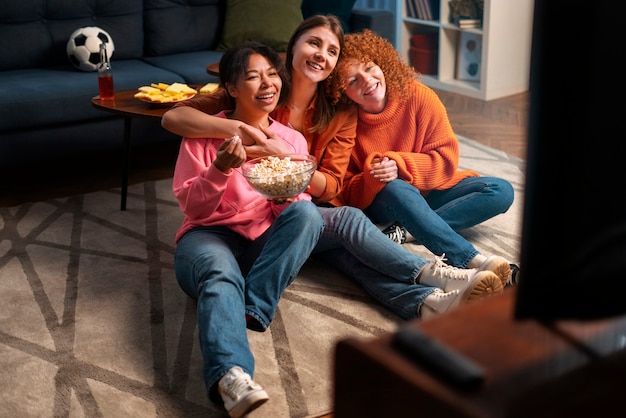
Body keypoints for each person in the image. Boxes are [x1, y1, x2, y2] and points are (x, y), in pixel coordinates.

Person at [163, 15, 505, 326]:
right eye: (313, 42)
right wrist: (242, 131)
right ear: (292, 46)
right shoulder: (261, 85)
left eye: (331, 50)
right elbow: (175, 117)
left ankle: (430, 298)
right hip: (273, 215)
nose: (320, 54)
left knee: (353, 249)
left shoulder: (340, 111)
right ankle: (434, 286)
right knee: (349, 241)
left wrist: (286, 157)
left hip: (310, 205)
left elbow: (333, 186)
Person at [171, 42, 325, 417]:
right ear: (232, 88)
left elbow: (295, 207)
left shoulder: (291, 140)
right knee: (219, 271)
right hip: (208, 237)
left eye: (272, 74)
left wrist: (286, 185)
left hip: (261, 242)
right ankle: (231, 375)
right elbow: (194, 209)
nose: (267, 83)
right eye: (253, 76)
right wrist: (219, 169)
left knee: (309, 216)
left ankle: (249, 308)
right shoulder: (203, 136)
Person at [325, 29, 518, 286]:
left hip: (429, 191)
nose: (367, 81)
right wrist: (374, 177)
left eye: (370, 68)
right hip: (385, 200)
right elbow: (345, 191)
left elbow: (447, 160)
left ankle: (407, 230)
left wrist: (400, 164)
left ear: (382, 63)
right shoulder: (345, 122)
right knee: (396, 188)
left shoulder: (419, 96)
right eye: (352, 81)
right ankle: (471, 260)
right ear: (341, 92)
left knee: (501, 190)